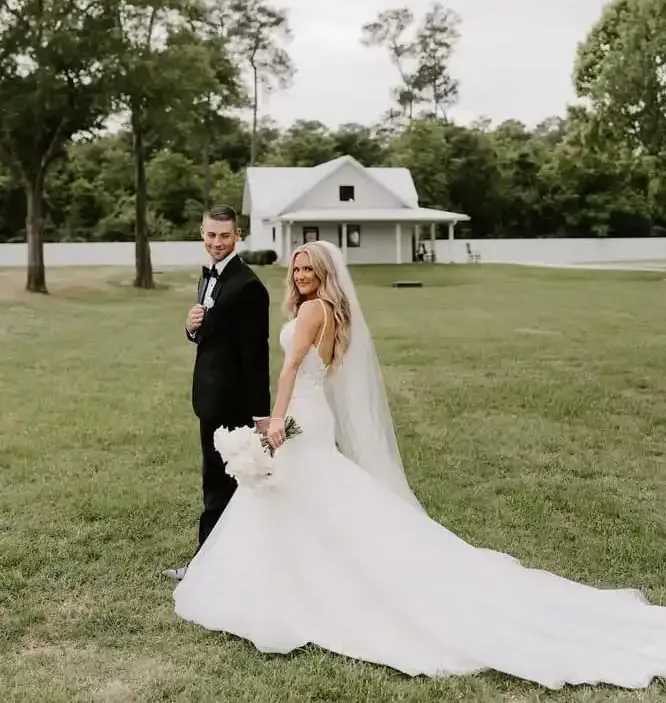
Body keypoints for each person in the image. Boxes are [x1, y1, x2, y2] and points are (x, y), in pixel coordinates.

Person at [173, 240, 666, 689]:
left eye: (309, 267)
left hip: (297, 416)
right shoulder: (332, 312)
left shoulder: (310, 313)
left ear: (325, 272)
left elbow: (291, 368)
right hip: (314, 416)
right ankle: (297, 581)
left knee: (293, 497)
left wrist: (274, 421)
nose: (300, 274)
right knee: (306, 500)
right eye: (297, 267)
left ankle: (304, 592)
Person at [163, 205, 270, 581]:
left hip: (233, 405)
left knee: (222, 487)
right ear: (202, 234)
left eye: (224, 235)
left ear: (237, 235)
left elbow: (256, 356)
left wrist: (261, 414)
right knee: (215, 481)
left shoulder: (248, 286)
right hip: (209, 400)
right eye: (210, 235)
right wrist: (192, 328)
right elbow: (213, 337)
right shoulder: (209, 276)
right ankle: (218, 562)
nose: (216, 243)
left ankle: (208, 568)